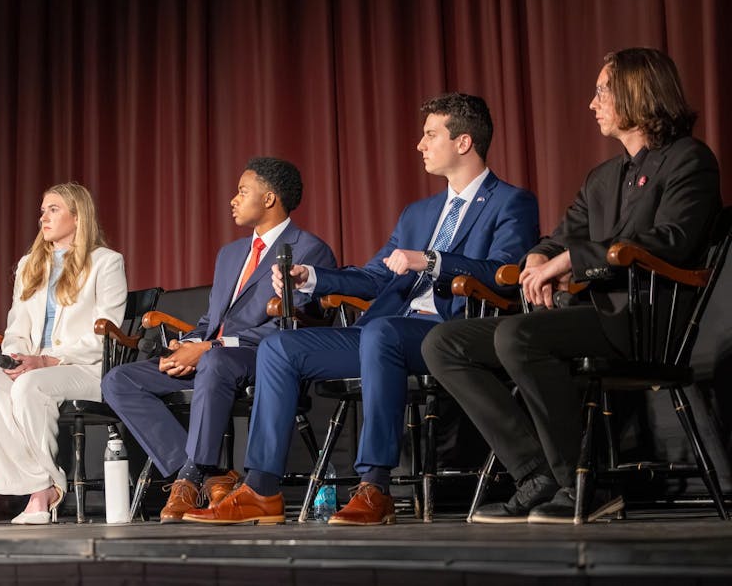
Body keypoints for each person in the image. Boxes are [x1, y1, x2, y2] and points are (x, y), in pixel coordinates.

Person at [183, 93, 539, 525]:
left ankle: (375, 486)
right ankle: (261, 489)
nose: (420, 145)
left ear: (463, 142)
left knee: (382, 333)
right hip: (384, 333)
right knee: (279, 347)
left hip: (451, 332)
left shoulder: (511, 202)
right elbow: (373, 277)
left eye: (430, 135)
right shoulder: (418, 213)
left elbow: (502, 270)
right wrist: (310, 278)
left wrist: (430, 261)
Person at [422, 48, 722, 524]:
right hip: (595, 315)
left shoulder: (689, 160)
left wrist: (571, 260)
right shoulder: (603, 176)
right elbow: (561, 233)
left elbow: (672, 241)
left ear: (636, 93)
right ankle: (537, 475)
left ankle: (581, 486)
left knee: (516, 335)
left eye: (602, 90)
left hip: (645, 319)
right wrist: (541, 255)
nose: (592, 103)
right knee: (444, 343)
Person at [101, 157, 336, 522]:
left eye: (243, 191)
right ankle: (208, 473)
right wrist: (187, 344)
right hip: (212, 359)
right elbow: (212, 320)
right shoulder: (229, 255)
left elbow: (291, 325)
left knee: (213, 361)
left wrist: (209, 348)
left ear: (270, 198)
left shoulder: (308, 249)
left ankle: (190, 477)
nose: (233, 199)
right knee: (118, 380)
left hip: (263, 359)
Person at [0, 182, 127, 524]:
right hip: (37, 367)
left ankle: (42, 494)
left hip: (84, 368)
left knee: (30, 386)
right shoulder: (30, 265)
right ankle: (43, 483)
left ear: (77, 215)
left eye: (53, 209)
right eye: (42, 210)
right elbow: (16, 328)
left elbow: (106, 333)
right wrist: (15, 358)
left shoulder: (105, 263)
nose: (44, 217)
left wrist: (47, 360)